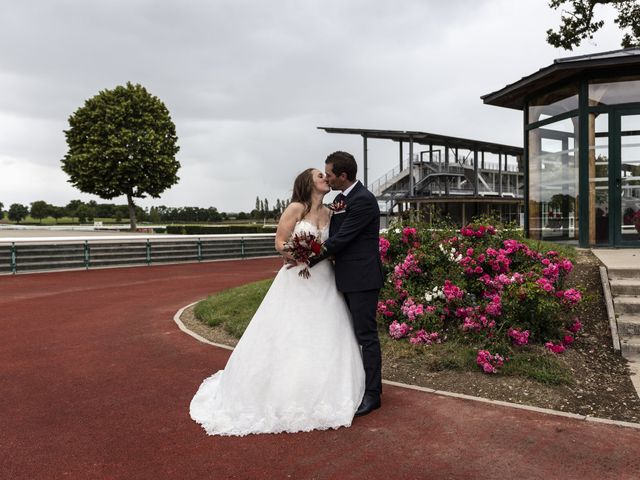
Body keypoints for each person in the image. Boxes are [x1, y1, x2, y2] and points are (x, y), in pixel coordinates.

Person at [189, 168, 365, 436]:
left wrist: (319, 254)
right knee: (289, 331)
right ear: (308, 182)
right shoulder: (296, 208)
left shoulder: (331, 212)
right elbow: (279, 242)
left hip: (325, 280)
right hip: (298, 278)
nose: (325, 179)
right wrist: (297, 252)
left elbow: (336, 244)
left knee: (326, 331)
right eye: (320, 175)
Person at [311, 151, 384, 416]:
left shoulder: (363, 200)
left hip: (362, 279)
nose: (327, 177)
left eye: (329, 173)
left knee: (366, 336)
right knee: (349, 335)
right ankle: (356, 383)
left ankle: (373, 394)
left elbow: (342, 239)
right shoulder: (341, 199)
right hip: (344, 277)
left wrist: (306, 258)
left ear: (343, 175)